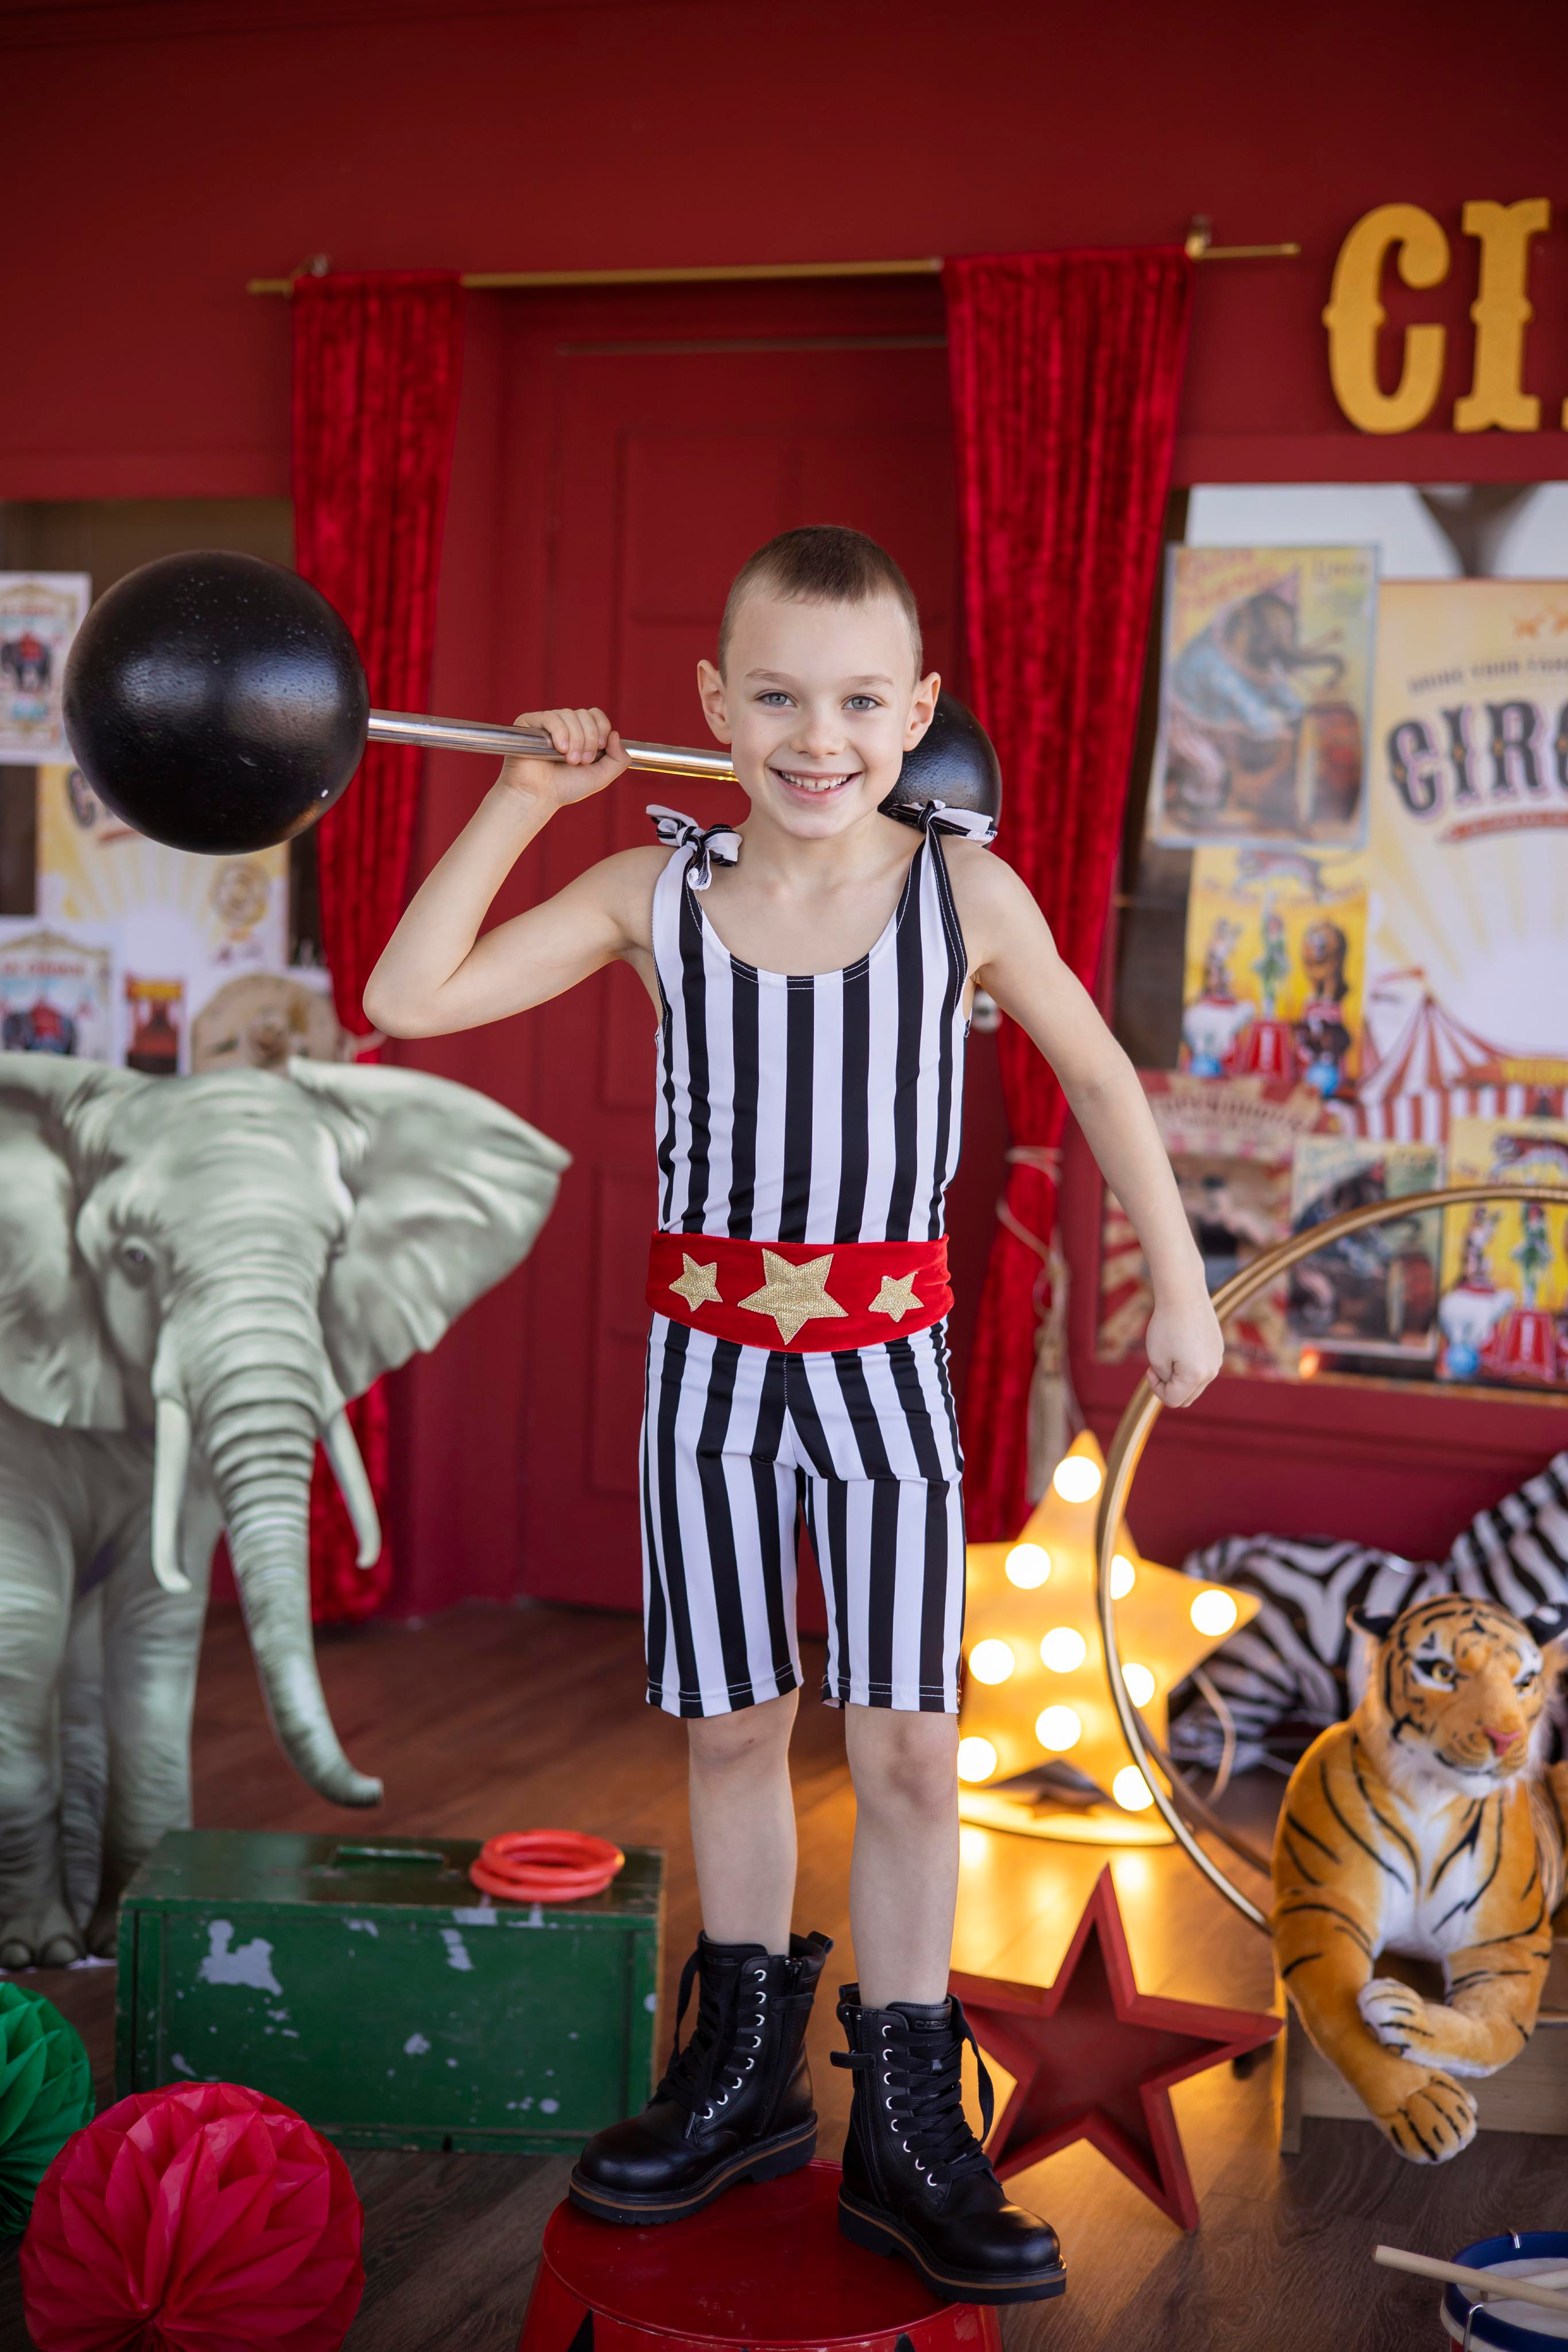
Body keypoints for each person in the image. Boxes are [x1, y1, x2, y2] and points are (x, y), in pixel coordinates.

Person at [366, 526, 1223, 2304]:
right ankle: (746, 2075)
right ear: (714, 706)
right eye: (775, 698)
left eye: (855, 703)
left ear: (916, 713)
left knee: (908, 1746)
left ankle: (910, 2115)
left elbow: (1097, 1070)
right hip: (710, 1381)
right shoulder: (653, 890)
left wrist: (1184, 1282)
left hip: (890, 1381)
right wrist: (529, 798)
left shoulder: (965, 896)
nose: (814, 738)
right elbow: (407, 995)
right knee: (738, 1732)